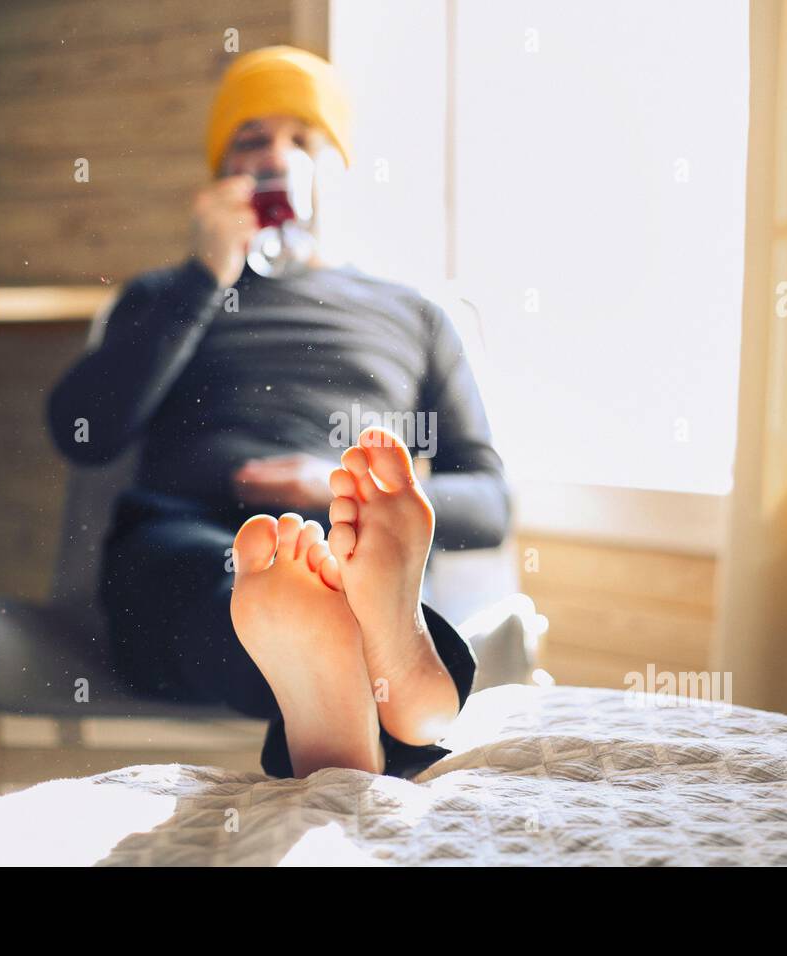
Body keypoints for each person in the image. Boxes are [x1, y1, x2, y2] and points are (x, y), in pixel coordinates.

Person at [46, 46, 510, 779]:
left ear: (340, 175)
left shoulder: (414, 314)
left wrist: (334, 484)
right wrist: (205, 277)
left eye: (304, 140)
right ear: (219, 174)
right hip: (180, 535)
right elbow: (81, 433)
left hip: (343, 535)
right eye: (251, 139)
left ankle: (338, 651)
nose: (275, 158)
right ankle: (395, 685)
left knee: (332, 576)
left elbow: (489, 502)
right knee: (222, 581)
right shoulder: (166, 295)